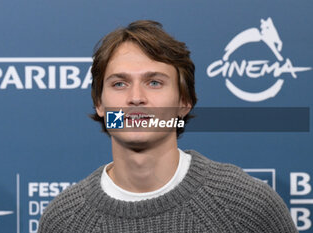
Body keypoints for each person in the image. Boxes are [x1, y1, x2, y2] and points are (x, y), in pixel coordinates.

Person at [38, 20, 298, 233]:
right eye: (119, 84)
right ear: (100, 105)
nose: (136, 98)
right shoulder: (64, 220)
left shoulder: (246, 204)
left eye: (154, 83)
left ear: (184, 102)